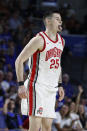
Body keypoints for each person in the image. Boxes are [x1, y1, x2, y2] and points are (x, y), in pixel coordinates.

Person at [15, 10, 65, 131]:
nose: (61, 21)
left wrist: (60, 85)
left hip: (51, 88)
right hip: (37, 86)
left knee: (47, 128)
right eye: (57, 19)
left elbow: (57, 65)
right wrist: (21, 85)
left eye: (61, 19)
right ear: (48, 21)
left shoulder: (61, 41)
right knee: (35, 127)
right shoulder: (39, 39)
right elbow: (19, 60)